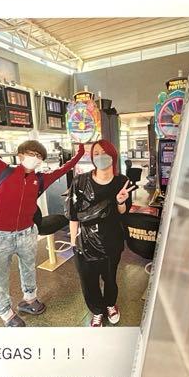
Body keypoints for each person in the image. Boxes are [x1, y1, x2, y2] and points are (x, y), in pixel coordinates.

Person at [0, 83, 83, 327]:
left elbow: (63, 169)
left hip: (27, 234)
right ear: (20, 154)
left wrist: (79, 152)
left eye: (39, 157)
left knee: (28, 269)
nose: (34, 159)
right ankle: (5, 313)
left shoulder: (39, 179)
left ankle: (29, 299)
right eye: (30, 154)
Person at [68, 139, 131, 326]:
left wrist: (120, 201)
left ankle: (110, 304)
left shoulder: (122, 181)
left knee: (110, 277)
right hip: (85, 241)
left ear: (113, 155)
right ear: (91, 158)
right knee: (89, 280)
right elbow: (73, 214)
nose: (100, 156)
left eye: (104, 152)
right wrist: (73, 242)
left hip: (112, 240)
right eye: (96, 153)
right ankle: (97, 310)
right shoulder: (80, 181)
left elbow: (123, 212)